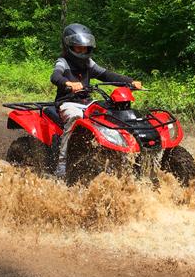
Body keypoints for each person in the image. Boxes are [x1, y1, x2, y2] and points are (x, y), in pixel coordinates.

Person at [50, 23, 141, 177]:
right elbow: (55, 76)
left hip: (87, 103)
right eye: (78, 48)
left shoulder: (88, 63)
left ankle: (120, 157)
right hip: (68, 103)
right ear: (69, 46)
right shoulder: (63, 62)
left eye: (84, 48)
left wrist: (129, 81)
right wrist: (68, 84)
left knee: (109, 117)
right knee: (75, 118)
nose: (82, 51)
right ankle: (62, 166)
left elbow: (106, 75)